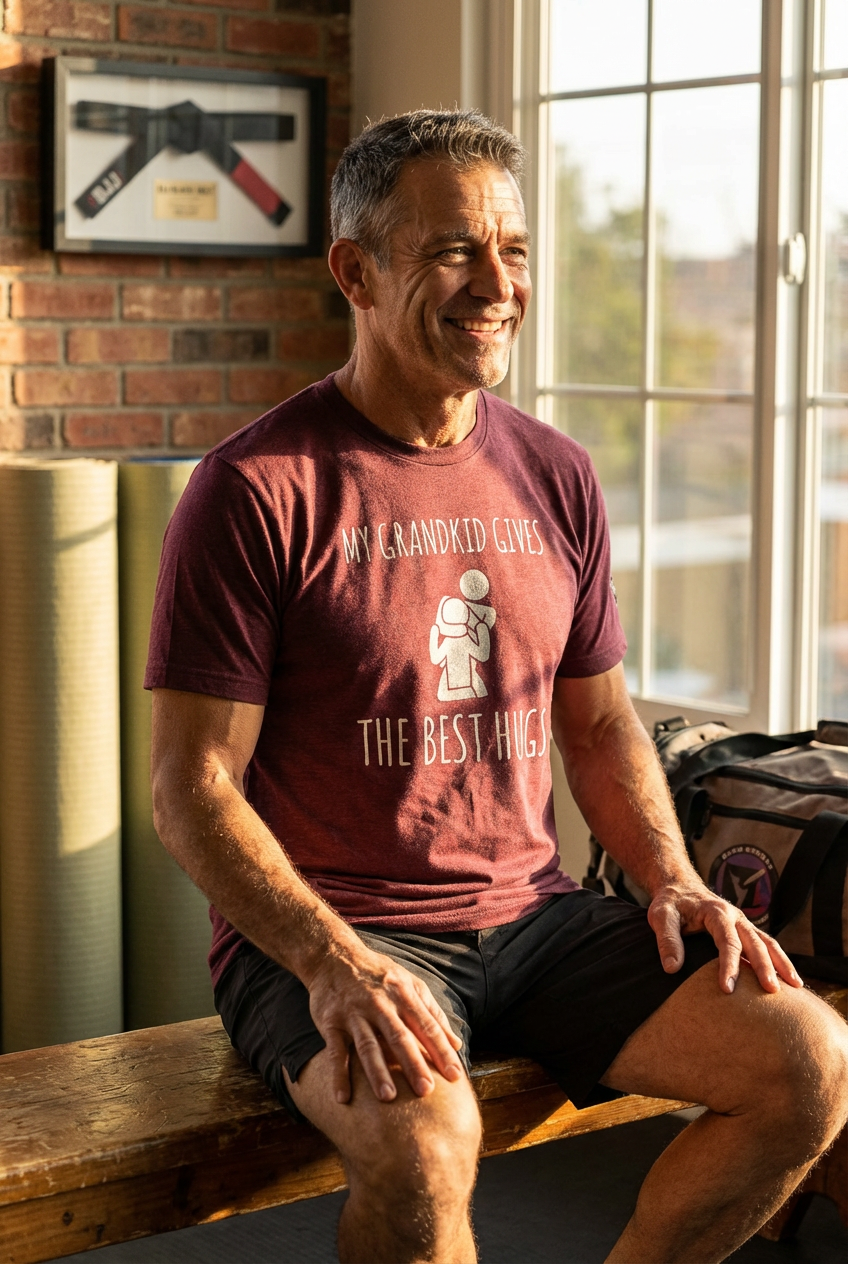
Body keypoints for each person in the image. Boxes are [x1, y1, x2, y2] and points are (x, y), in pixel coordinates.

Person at [147, 110, 848, 1264]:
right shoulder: (254, 490)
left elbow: (600, 719)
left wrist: (670, 878)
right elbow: (193, 786)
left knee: (808, 1065)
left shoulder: (554, 472)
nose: (494, 283)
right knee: (425, 1147)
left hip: (535, 919)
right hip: (339, 930)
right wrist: (333, 960)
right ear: (354, 272)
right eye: (451, 250)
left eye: (512, 249)